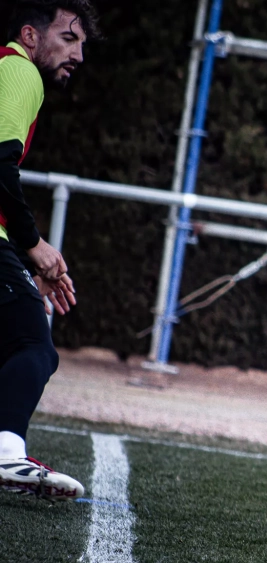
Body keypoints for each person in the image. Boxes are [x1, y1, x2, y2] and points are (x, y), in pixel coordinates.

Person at [0, 0, 100, 502]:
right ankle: (5, 452)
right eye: (68, 38)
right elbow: (0, 166)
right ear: (30, 36)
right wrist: (33, 245)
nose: (78, 54)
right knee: (33, 347)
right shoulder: (20, 71)